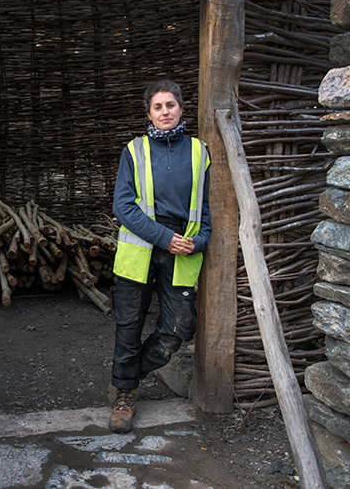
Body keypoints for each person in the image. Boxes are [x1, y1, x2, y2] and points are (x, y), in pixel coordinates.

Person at [108, 79, 211, 433]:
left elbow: (208, 211)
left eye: (170, 105)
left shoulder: (199, 152)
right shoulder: (133, 150)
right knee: (129, 323)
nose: (165, 112)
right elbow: (123, 206)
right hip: (141, 246)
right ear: (149, 113)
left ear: (181, 108)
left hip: (182, 249)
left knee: (179, 326)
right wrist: (164, 238)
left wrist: (197, 243)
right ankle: (125, 395)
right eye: (158, 107)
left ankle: (127, 372)